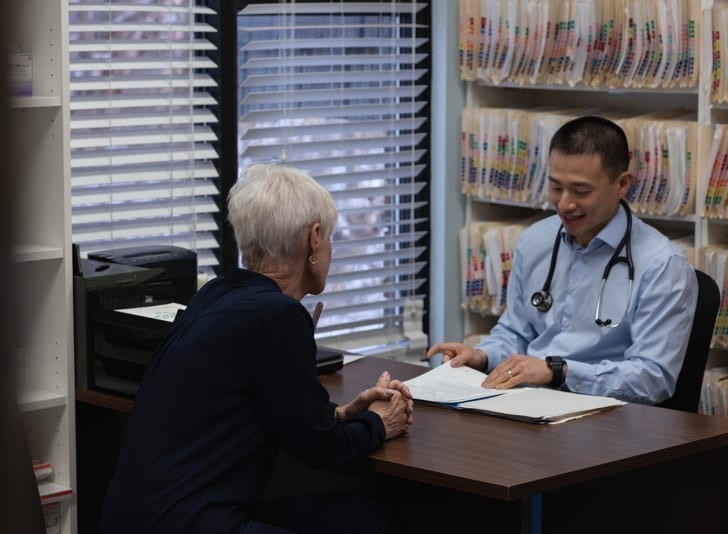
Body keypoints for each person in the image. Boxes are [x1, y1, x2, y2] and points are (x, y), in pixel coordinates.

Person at [100, 163, 414, 534]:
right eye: (329, 237)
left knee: (360, 517)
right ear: (314, 239)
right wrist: (379, 423)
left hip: (137, 518)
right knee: (369, 519)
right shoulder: (277, 315)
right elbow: (322, 449)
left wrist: (343, 413)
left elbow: (274, 408)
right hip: (192, 522)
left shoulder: (215, 294)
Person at [427, 115, 698, 405]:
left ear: (622, 185)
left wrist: (559, 372)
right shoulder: (536, 241)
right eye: (556, 187)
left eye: (581, 192)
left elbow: (653, 378)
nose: (565, 204)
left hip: (609, 420)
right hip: (529, 405)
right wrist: (481, 357)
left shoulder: (662, 265)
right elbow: (516, 332)